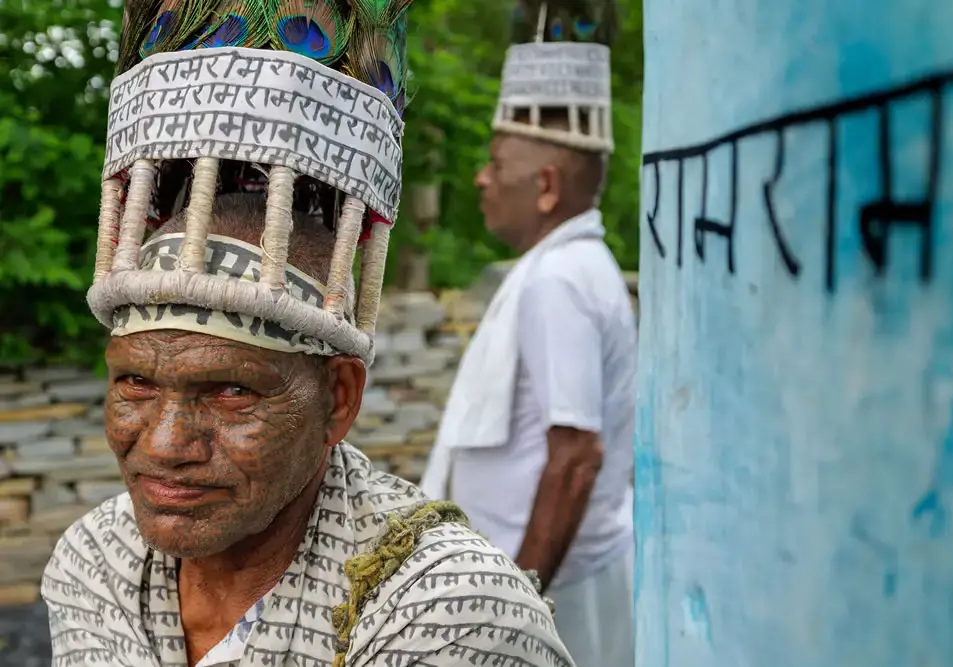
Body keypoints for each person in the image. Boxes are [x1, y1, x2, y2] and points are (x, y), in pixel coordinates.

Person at [40, 2, 573, 666]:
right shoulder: (96, 563)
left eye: (231, 390)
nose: (166, 442)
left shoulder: (450, 612)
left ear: (339, 398)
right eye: (135, 382)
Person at [420, 2, 636, 667]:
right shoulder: (564, 265)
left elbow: (575, 458)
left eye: (495, 162)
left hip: (550, 594)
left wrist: (520, 605)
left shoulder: (559, 281)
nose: (482, 178)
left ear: (545, 186)